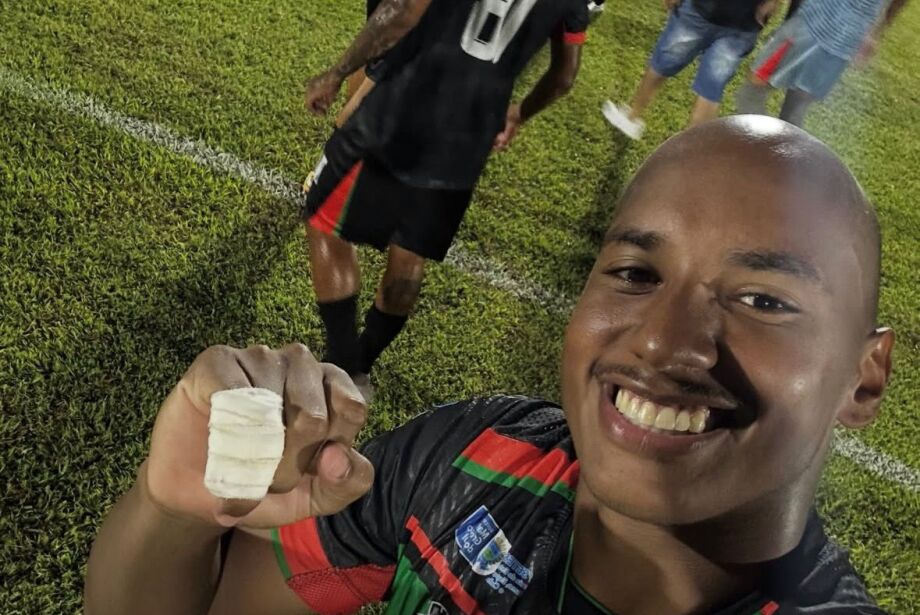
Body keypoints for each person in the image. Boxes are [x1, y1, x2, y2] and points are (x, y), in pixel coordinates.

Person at [84, 117, 895, 615]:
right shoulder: (474, 456)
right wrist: (175, 509)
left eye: (763, 299)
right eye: (635, 272)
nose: (661, 341)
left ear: (863, 376)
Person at [300, 0, 588, 401]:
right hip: (467, 143)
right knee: (410, 255)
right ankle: (364, 362)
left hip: (398, 117)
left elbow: (402, 12)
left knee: (324, 223)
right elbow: (564, 76)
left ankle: (342, 364)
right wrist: (519, 113)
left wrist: (336, 73)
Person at [602, 0, 778, 140]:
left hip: (703, 12)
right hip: (744, 23)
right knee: (711, 87)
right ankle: (688, 155)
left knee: (663, 63)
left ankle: (632, 117)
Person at [735, 0, 909, 127]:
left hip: (812, 24)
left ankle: (759, 149)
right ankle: (783, 158)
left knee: (754, 88)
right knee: (795, 109)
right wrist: (876, 33)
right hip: (845, 43)